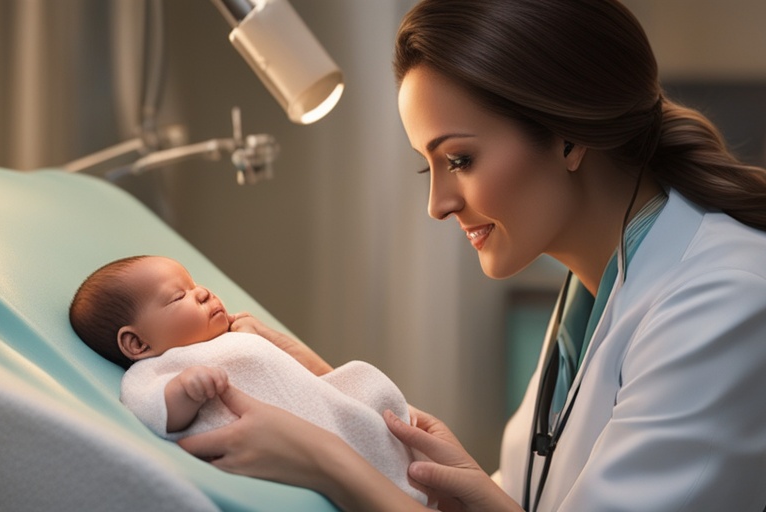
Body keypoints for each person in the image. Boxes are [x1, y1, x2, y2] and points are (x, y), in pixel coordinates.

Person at [175, 1, 766, 511]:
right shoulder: (592, 296)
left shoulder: (724, 298)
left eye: (459, 159)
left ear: (568, 134)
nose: (437, 205)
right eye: (425, 165)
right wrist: (330, 395)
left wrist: (331, 463)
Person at [68, 255, 433, 506]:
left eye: (194, 284)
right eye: (178, 296)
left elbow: (300, 378)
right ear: (137, 343)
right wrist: (185, 390)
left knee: (362, 384)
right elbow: (152, 408)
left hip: (319, 417)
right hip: (287, 444)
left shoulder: (232, 335)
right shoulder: (156, 369)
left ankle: (398, 474)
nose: (202, 292)